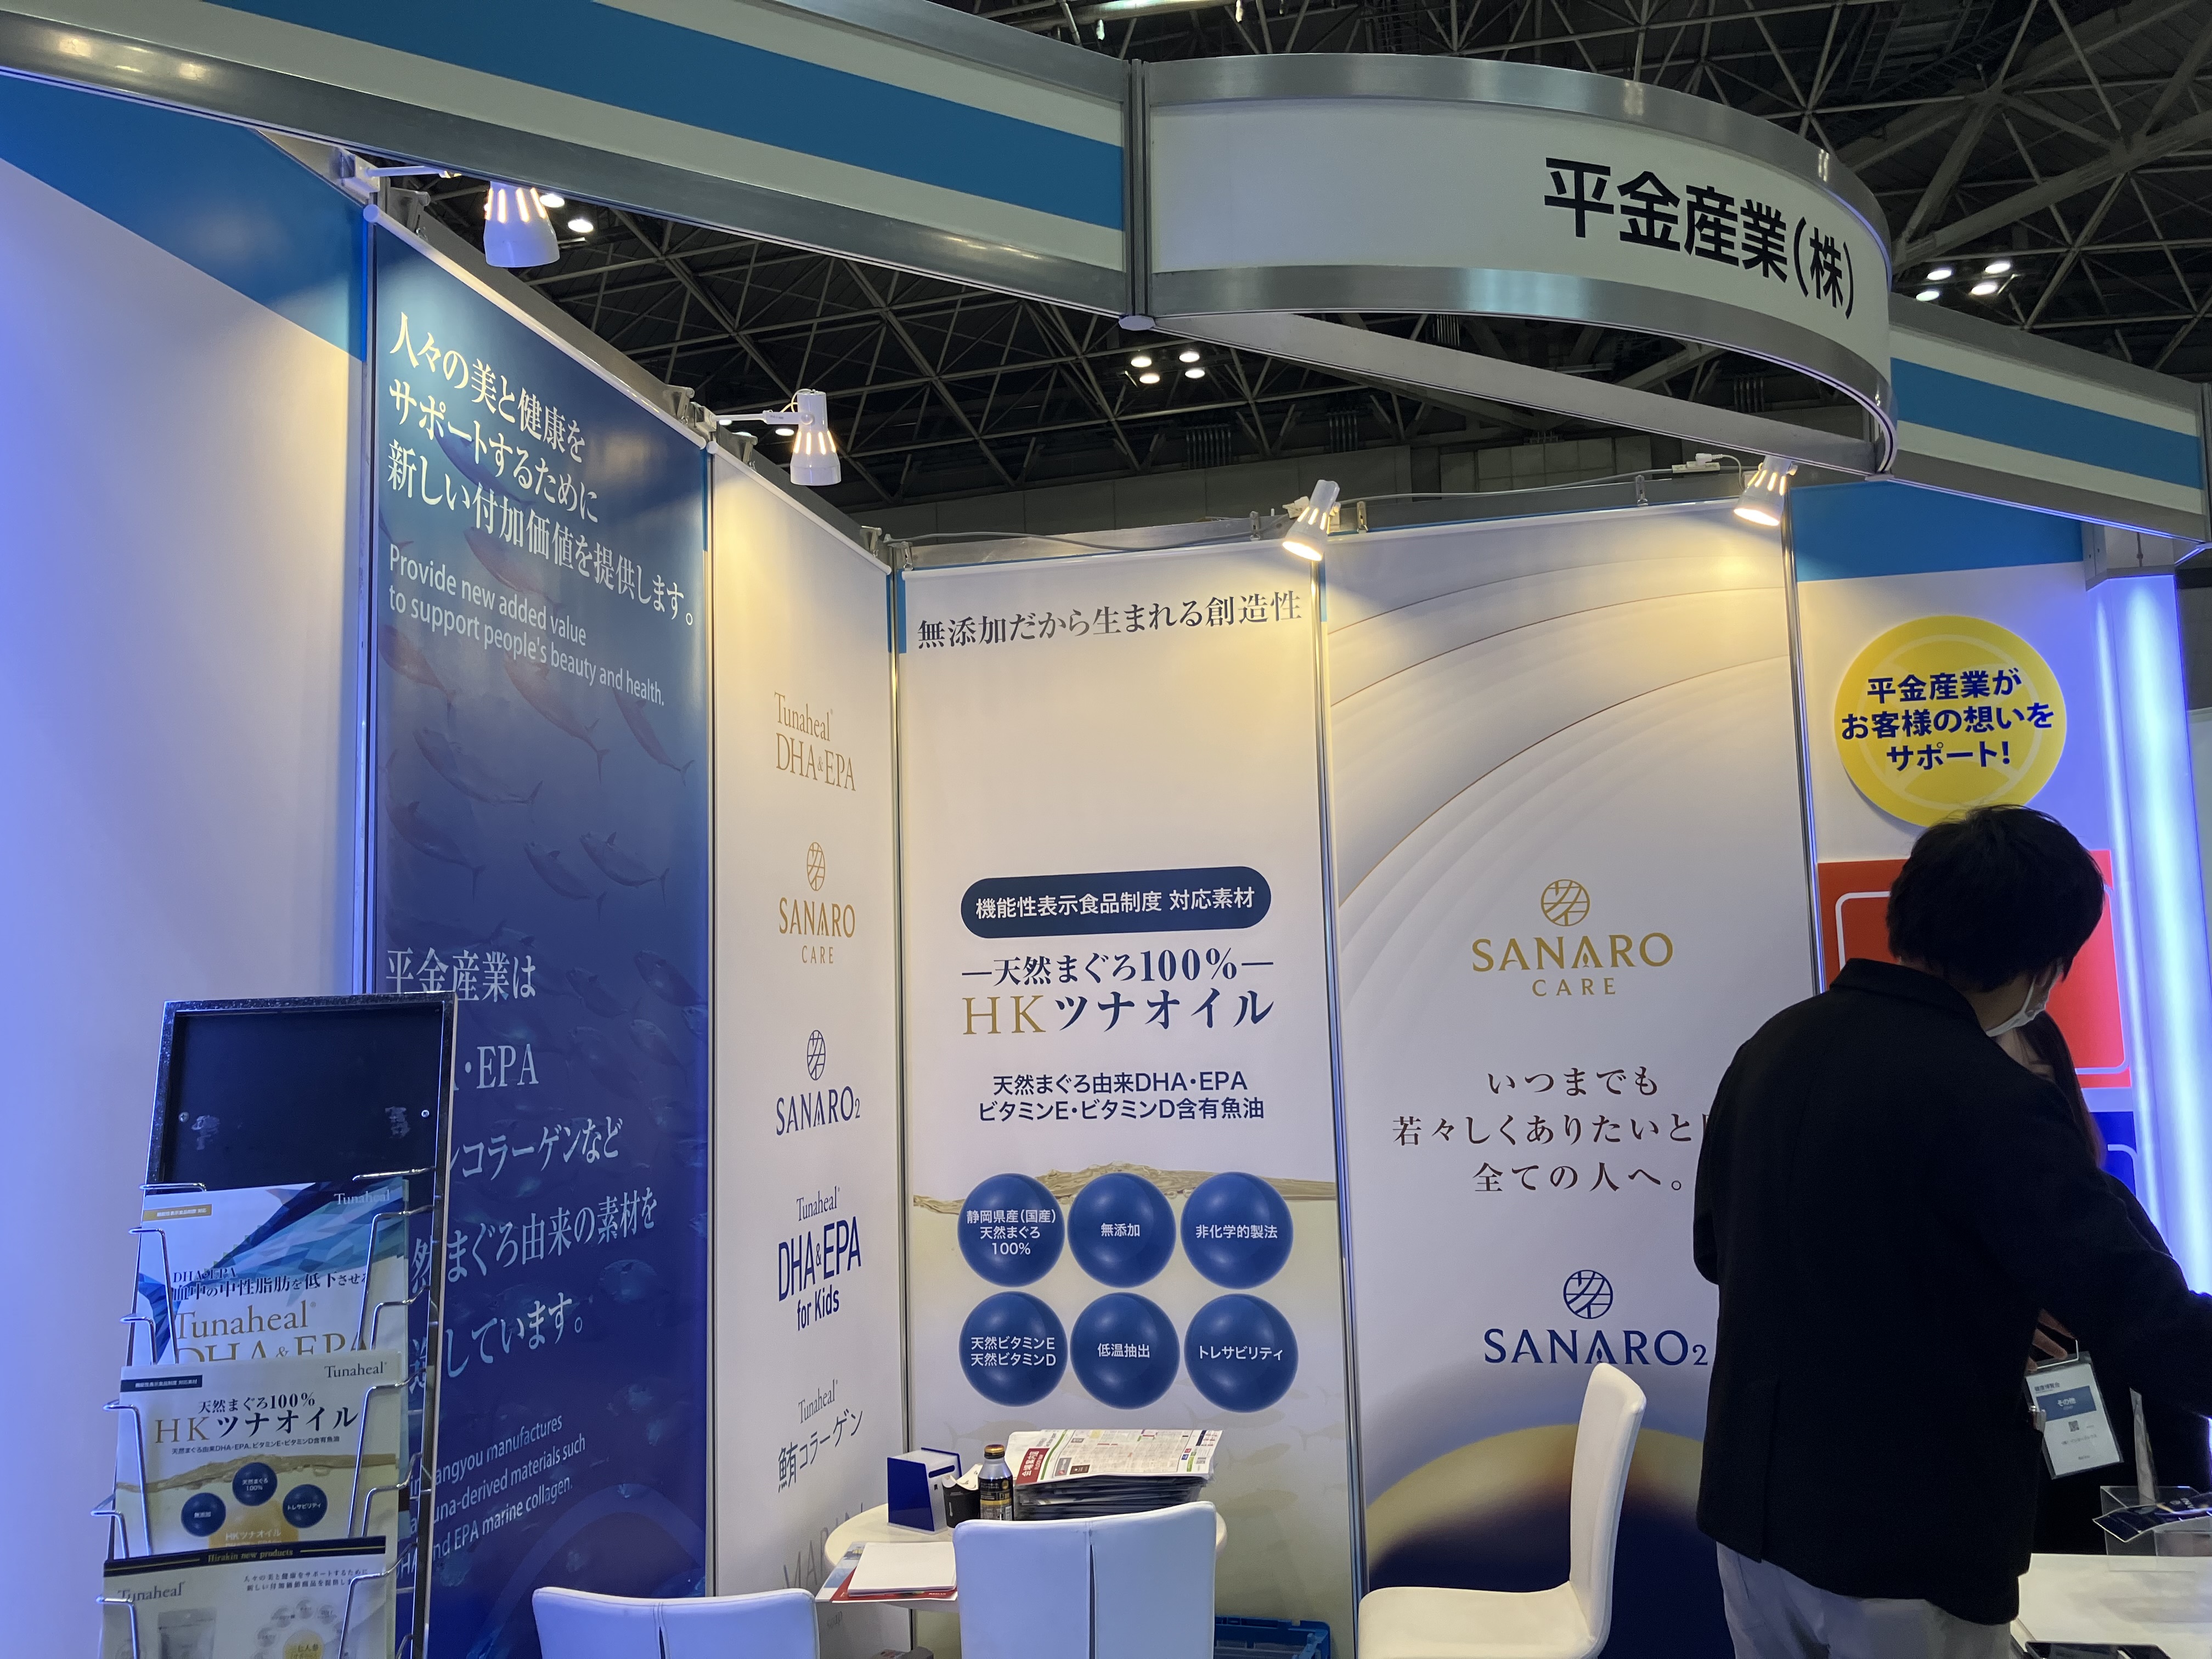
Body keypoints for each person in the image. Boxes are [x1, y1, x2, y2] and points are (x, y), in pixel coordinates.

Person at [1693, 805, 2212, 1659]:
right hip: (1903, 1536)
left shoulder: (1771, 1049)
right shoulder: (1991, 1098)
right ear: (2046, 965)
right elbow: (2136, 1313)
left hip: (1752, 1517)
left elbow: (1717, 1251)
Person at [2002, 1012, 2211, 1551]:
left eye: (2040, 1080)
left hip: (2099, 1509)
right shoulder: (1922, 1226)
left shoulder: (2103, 1204)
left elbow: (2165, 1338)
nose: (2022, 1102)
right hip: (1973, 1518)